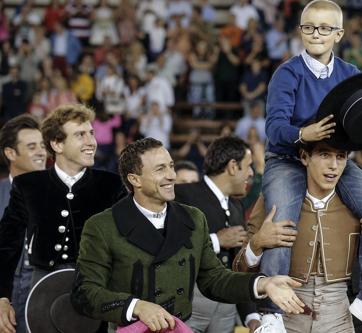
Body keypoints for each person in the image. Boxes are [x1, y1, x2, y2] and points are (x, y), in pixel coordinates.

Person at [263, 0, 362, 332]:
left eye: (325, 28)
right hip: (287, 158)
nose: (316, 33)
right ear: (300, 30)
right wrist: (305, 133)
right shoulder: (287, 73)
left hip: (335, 158)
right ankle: (272, 311)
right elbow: (274, 128)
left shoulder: (350, 74)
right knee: (281, 218)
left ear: (339, 34)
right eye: (309, 27)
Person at [71, 138, 304, 332]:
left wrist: (263, 283)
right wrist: (137, 307)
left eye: (171, 166)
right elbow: (85, 292)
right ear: (135, 180)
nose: (172, 175)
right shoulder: (102, 225)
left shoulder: (193, 218)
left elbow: (215, 279)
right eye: (160, 169)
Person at [233, 141, 362, 332]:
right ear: (305, 157)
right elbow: (240, 272)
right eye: (324, 155)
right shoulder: (274, 198)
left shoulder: (360, 204)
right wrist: (256, 244)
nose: (333, 165)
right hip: (282, 317)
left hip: (339, 317)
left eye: (340, 157)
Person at [0, 104, 126, 333]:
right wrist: (2, 298)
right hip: (41, 293)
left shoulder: (112, 185)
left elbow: (127, 245)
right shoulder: (28, 186)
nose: (91, 142)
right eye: (80, 135)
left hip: (96, 292)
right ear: (57, 144)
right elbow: (6, 247)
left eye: (91, 133)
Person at [174, 137, 261, 333]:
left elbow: (237, 268)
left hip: (227, 310)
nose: (251, 173)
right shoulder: (181, 195)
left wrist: (251, 315)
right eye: (248, 166)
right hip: (188, 305)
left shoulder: (236, 205)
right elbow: (165, 249)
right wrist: (216, 240)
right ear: (232, 166)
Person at [0, 115, 47, 333]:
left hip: (50, 303)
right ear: (10, 153)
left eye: (42, 145)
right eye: (31, 146)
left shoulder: (63, 194)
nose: (41, 152)